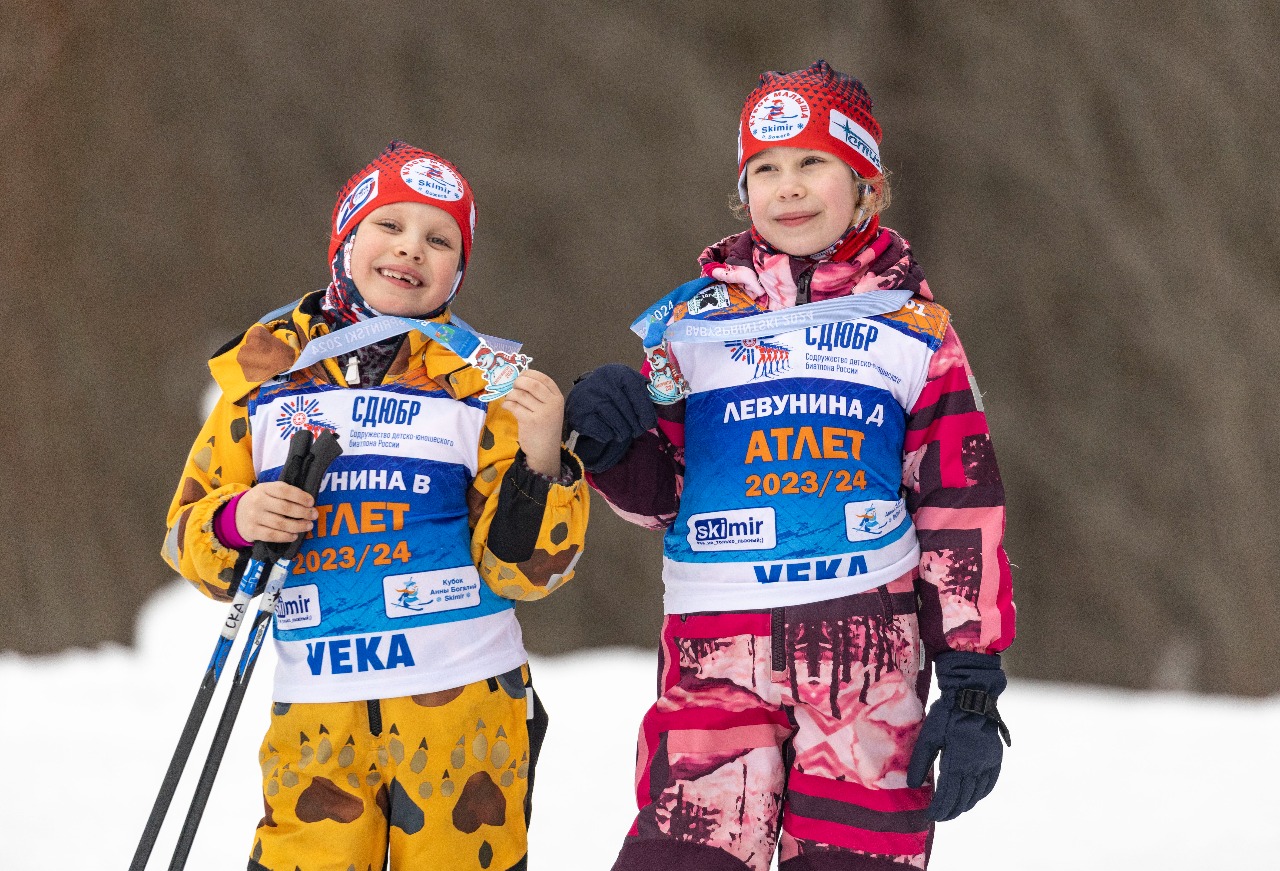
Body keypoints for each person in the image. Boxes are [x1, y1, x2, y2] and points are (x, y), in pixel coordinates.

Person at [566, 61, 1015, 871]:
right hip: (714, 659)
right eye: (764, 170)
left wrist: (973, 677)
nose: (788, 188)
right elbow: (663, 492)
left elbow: (959, 502)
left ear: (865, 182)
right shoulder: (691, 326)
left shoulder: (914, 329)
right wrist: (611, 447)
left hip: (866, 663)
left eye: (812, 162)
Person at [163, 141, 588, 871]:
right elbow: (189, 540)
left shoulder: (481, 382)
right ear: (345, 239)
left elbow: (525, 572)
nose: (410, 249)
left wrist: (543, 461)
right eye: (388, 224)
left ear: (459, 267)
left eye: (439, 238)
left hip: (461, 713)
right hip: (320, 716)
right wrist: (240, 521)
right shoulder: (269, 378)